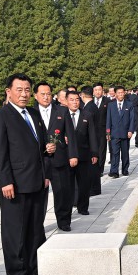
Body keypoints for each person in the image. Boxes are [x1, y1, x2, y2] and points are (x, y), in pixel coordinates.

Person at [0, 73, 52, 275]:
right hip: (15, 183)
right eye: (19, 90)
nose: (23, 94)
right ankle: (16, 271)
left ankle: (33, 266)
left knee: (35, 226)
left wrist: (47, 152)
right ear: (9, 92)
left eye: (26, 90)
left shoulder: (33, 113)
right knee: (15, 229)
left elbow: (37, 145)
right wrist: (5, 180)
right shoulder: (0, 116)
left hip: (37, 180)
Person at [46, 98, 78, 232]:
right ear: (35, 95)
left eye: (48, 93)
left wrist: (73, 155)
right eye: (42, 94)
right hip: (40, 160)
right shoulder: (32, 112)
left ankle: (64, 220)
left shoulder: (62, 111)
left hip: (59, 158)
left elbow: (70, 133)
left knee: (62, 192)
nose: (45, 96)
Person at [71, 89, 98, 216]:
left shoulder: (86, 114)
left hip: (84, 154)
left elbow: (92, 135)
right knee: (69, 184)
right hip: (69, 156)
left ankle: (83, 207)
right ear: (67, 101)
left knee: (84, 183)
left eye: (77, 99)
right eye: (72, 100)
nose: (75, 102)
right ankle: (71, 203)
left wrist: (94, 153)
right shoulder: (62, 115)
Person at [106, 86, 135, 178]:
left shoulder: (129, 104)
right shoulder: (111, 105)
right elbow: (108, 120)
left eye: (122, 92)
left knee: (125, 153)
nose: (121, 94)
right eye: (119, 93)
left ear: (124, 93)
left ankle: (125, 169)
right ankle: (114, 171)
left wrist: (130, 130)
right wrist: (108, 132)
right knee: (115, 153)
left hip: (125, 133)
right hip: (114, 133)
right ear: (115, 94)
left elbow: (132, 119)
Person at [91, 83, 110, 193]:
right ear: (93, 91)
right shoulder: (90, 102)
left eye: (100, 90)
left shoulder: (107, 102)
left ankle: (100, 169)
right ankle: (94, 167)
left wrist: (108, 131)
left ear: (102, 91)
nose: (98, 92)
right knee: (93, 149)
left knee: (102, 149)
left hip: (103, 130)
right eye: (96, 90)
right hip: (92, 130)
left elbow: (109, 117)